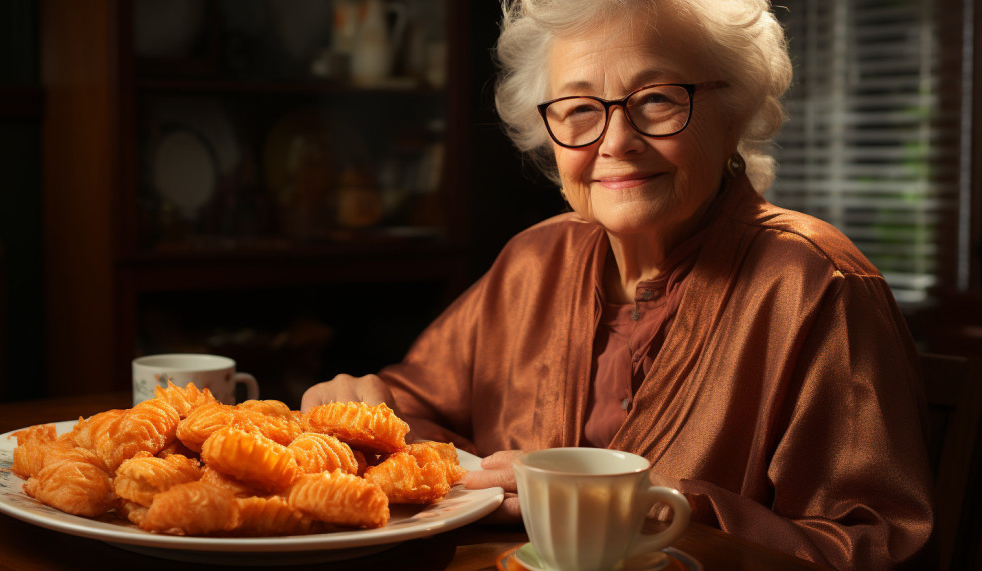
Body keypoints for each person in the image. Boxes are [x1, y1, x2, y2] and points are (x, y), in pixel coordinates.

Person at [302, 1, 934, 568]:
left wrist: (639, 505)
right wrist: (367, 410)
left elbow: (874, 547)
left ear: (734, 111)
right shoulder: (533, 260)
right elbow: (412, 412)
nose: (617, 141)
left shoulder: (818, 284)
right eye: (579, 109)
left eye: (657, 99)